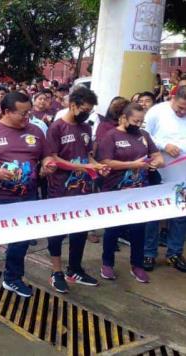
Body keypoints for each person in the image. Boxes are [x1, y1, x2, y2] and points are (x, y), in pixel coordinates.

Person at [0, 92, 55, 302]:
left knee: (21, 241)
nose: (27, 116)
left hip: (27, 197)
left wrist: (47, 163)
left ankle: (13, 278)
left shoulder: (36, 131)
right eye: (22, 113)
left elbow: (46, 154)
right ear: (6, 111)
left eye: (29, 112)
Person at [45, 87, 106, 293]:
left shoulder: (86, 129)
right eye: (84, 109)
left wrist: (97, 166)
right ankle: (56, 271)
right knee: (56, 231)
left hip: (83, 189)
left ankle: (75, 269)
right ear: (73, 105)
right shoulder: (57, 128)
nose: (87, 113)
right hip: (59, 190)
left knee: (80, 230)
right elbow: (53, 158)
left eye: (90, 110)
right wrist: (83, 167)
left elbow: (88, 156)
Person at [97, 103, 164, 283]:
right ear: (124, 118)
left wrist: (157, 162)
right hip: (115, 191)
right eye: (135, 121)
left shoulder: (143, 135)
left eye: (141, 122)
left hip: (139, 192)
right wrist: (132, 165)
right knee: (112, 229)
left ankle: (137, 265)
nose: (138, 125)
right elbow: (105, 162)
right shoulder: (111, 136)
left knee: (138, 230)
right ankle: (107, 263)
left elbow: (158, 156)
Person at [143, 85, 186, 272]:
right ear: (173, 98)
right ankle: (148, 253)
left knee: (180, 214)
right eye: (181, 108)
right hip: (159, 171)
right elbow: (143, 135)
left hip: (182, 173)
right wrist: (163, 145)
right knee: (154, 214)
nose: (183, 112)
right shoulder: (156, 112)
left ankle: (174, 252)